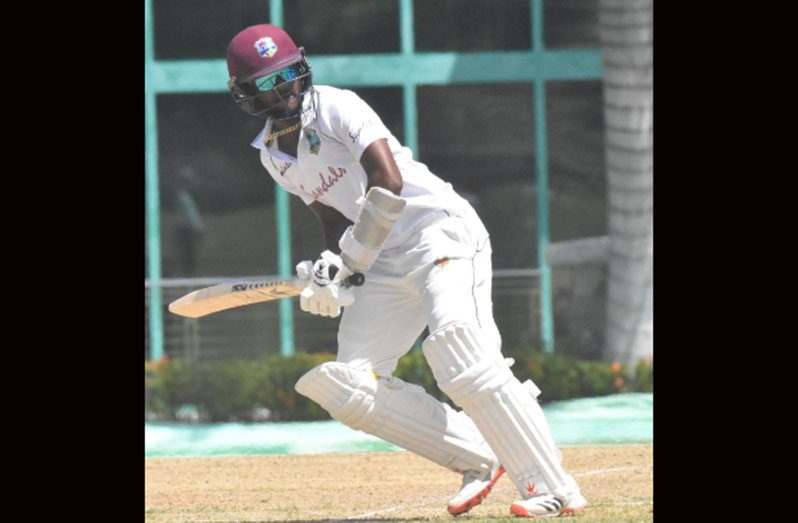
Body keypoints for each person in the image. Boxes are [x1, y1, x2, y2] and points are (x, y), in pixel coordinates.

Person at [225, 24, 587, 518]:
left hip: (437, 233)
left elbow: (387, 183)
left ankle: (554, 489)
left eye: (287, 74)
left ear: (301, 69)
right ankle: (479, 456)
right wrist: (333, 273)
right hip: (382, 259)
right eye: (267, 83)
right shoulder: (272, 155)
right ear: (246, 94)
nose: (284, 89)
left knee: (461, 352)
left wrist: (352, 260)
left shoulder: (337, 106)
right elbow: (333, 217)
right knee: (350, 384)